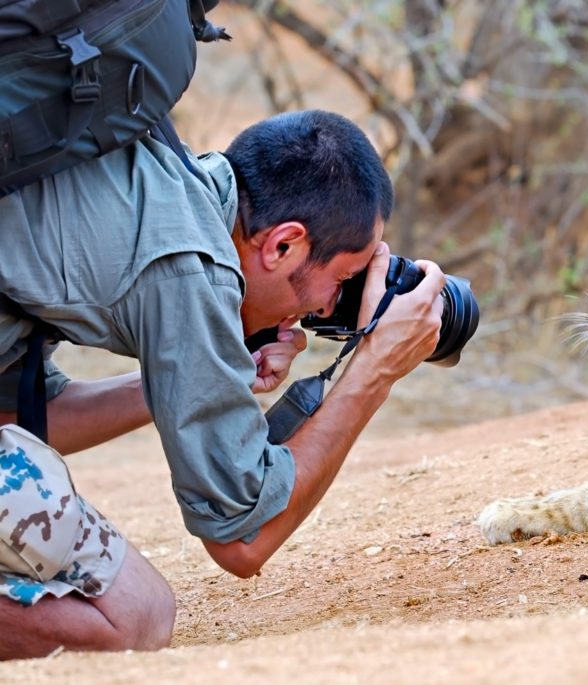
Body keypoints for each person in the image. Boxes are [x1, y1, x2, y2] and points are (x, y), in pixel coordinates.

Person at [0, 109, 444, 659]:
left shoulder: (165, 177)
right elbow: (241, 541)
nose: (331, 306)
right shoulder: (194, 267)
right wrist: (375, 369)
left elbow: (16, 422)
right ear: (283, 245)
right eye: (343, 280)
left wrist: (173, 377)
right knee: (134, 617)